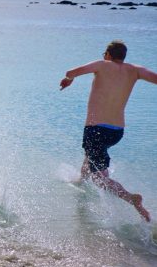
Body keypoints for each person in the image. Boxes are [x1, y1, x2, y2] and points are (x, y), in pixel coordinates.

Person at [60, 40, 156, 222]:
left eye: (104, 53)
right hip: (116, 132)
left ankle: (131, 198)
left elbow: (70, 72)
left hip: (96, 129)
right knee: (90, 156)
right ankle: (81, 181)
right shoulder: (135, 70)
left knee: (99, 178)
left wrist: (69, 79)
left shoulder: (101, 65)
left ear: (108, 54)